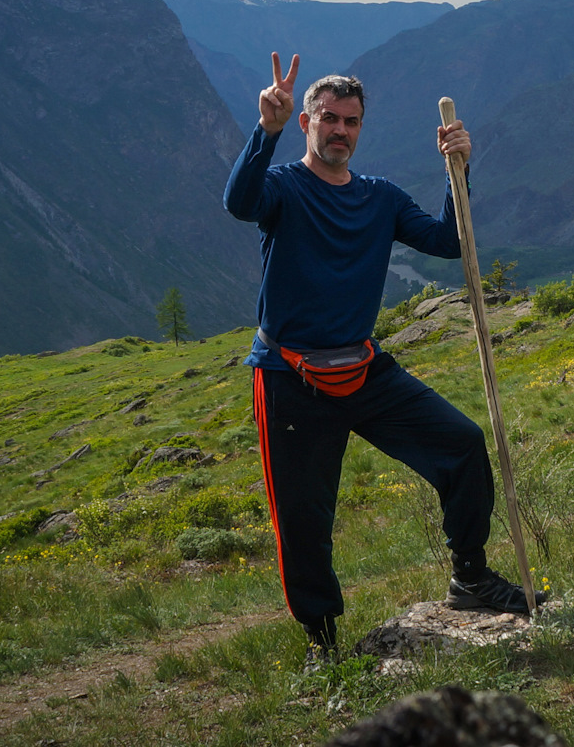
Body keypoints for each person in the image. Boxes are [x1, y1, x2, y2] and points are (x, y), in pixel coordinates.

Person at [223, 51, 546, 656]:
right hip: (291, 378)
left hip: (365, 368)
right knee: (304, 521)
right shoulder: (283, 190)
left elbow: (451, 242)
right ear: (307, 123)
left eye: (351, 121)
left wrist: (460, 170)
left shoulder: (380, 197)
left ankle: (470, 577)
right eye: (328, 118)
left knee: (461, 445)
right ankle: (324, 644)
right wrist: (262, 132)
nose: (340, 130)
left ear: (360, 129)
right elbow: (239, 203)